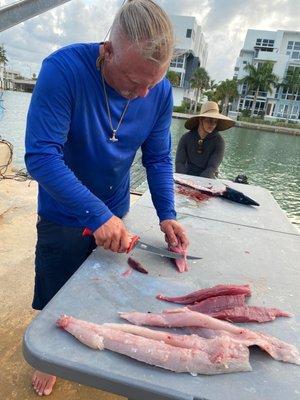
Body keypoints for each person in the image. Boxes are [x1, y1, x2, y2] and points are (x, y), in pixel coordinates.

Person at [25, 0, 188, 396]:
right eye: (134, 82)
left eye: (154, 82)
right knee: (55, 284)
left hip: (114, 207)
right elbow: (41, 156)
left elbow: (159, 156)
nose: (143, 92)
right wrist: (96, 214)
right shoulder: (62, 70)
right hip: (63, 212)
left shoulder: (158, 91)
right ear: (108, 50)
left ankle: (77, 334)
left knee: (96, 285)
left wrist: (167, 213)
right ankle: (50, 355)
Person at [175, 101, 234, 178]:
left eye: (215, 122)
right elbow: (179, 163)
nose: (212, 125)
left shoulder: (219, 142)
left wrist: (198, 183)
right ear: (200, 119)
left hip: (207, 179)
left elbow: (212, 168)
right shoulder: (186, 138)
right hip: (185, 177)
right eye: (209, 121)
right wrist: (184, 180)